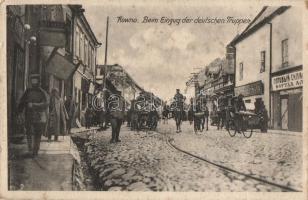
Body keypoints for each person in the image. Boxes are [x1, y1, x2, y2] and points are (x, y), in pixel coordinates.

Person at [17, 74, 49, 157]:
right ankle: (30, 149)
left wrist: (34, 105)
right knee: (29, 133)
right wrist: (19, 112)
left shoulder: (42, 92)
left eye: (35, 80)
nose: (34, 82)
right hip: (29, 116)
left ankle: (35, 150)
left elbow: (46, 104)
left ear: (39, 81)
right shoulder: (28, 91)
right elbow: (22, 102)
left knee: (37, 134)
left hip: (39, 117)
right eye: (32, 80)